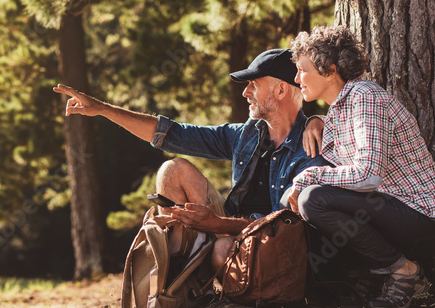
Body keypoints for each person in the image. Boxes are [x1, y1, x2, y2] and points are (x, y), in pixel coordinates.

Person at [54, 48, 326, 269]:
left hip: (273, 243)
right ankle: (172, 274)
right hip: (229, 229)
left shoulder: (311, 144)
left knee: (222, 249)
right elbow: (171, 134)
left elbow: (287, 225)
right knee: (172, 170)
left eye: (254, 85)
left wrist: (219, 225)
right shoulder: (247, 134)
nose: (245, 93)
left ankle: (200, 282)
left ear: (281, 91)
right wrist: (103, 110)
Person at [286, 25, 435, 308]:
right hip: (391, 216)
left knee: (312, 197)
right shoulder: (340, 109)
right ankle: (359, 278)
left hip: (423, 219)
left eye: (302, 70)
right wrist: (315, 120)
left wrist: (307, 176)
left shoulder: (364, 96)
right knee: (294, 202)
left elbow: (368, 174)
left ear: (329, 70)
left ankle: (405, 272)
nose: (296, 78)